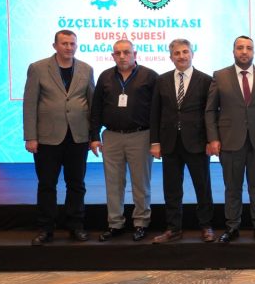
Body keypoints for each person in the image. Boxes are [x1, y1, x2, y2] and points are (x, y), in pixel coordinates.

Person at [23, 30, 95, 245]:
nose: (69, 47)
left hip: (78, 137)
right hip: (47, 138)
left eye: (72, 43)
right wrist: (30, 136)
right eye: (64, 43)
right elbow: (29, 104)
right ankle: (46, 229)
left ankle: (76, 226)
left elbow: (92, 104)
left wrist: (93, 136)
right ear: (54, 46)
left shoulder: (86, 69)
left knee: (77, 184)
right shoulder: (38, 68)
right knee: (47, 184)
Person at [206, 35, 255, 244]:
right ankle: (232, 227)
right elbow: (210, 110)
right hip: (229, 141)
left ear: (253, 52)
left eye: (248, 48)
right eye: (240, 48)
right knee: (232, 187)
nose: (244, 51)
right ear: (233, 51)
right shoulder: (220, 76)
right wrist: (213, 138)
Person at [89, 39, 158, 242]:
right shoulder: (105, 76)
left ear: (135, 54)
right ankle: (115, 224)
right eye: (117, 53)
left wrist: (156, 140)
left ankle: (141, 223)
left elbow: (157, 111)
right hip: (111, 137)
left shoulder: (150, 76)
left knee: (141, 183)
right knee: (113, 184)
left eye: (126, 52)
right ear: (112, 56)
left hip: (141, 136)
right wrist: (94, 137)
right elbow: (96, 109)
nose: (122, 56)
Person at [149, 39, 215, 243]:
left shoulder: (206, 80)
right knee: (171, 189)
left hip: (197, 142)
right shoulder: (161, 80)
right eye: (176, 53)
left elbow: (210, 113)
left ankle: (206, 226)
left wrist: (211, 140)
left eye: (185, 52)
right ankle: (173, 228)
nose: (181, 56)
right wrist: (155, 142)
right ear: (171, 57)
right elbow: (155, 112)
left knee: (202, 187)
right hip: (169, 143)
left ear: (192, 54)